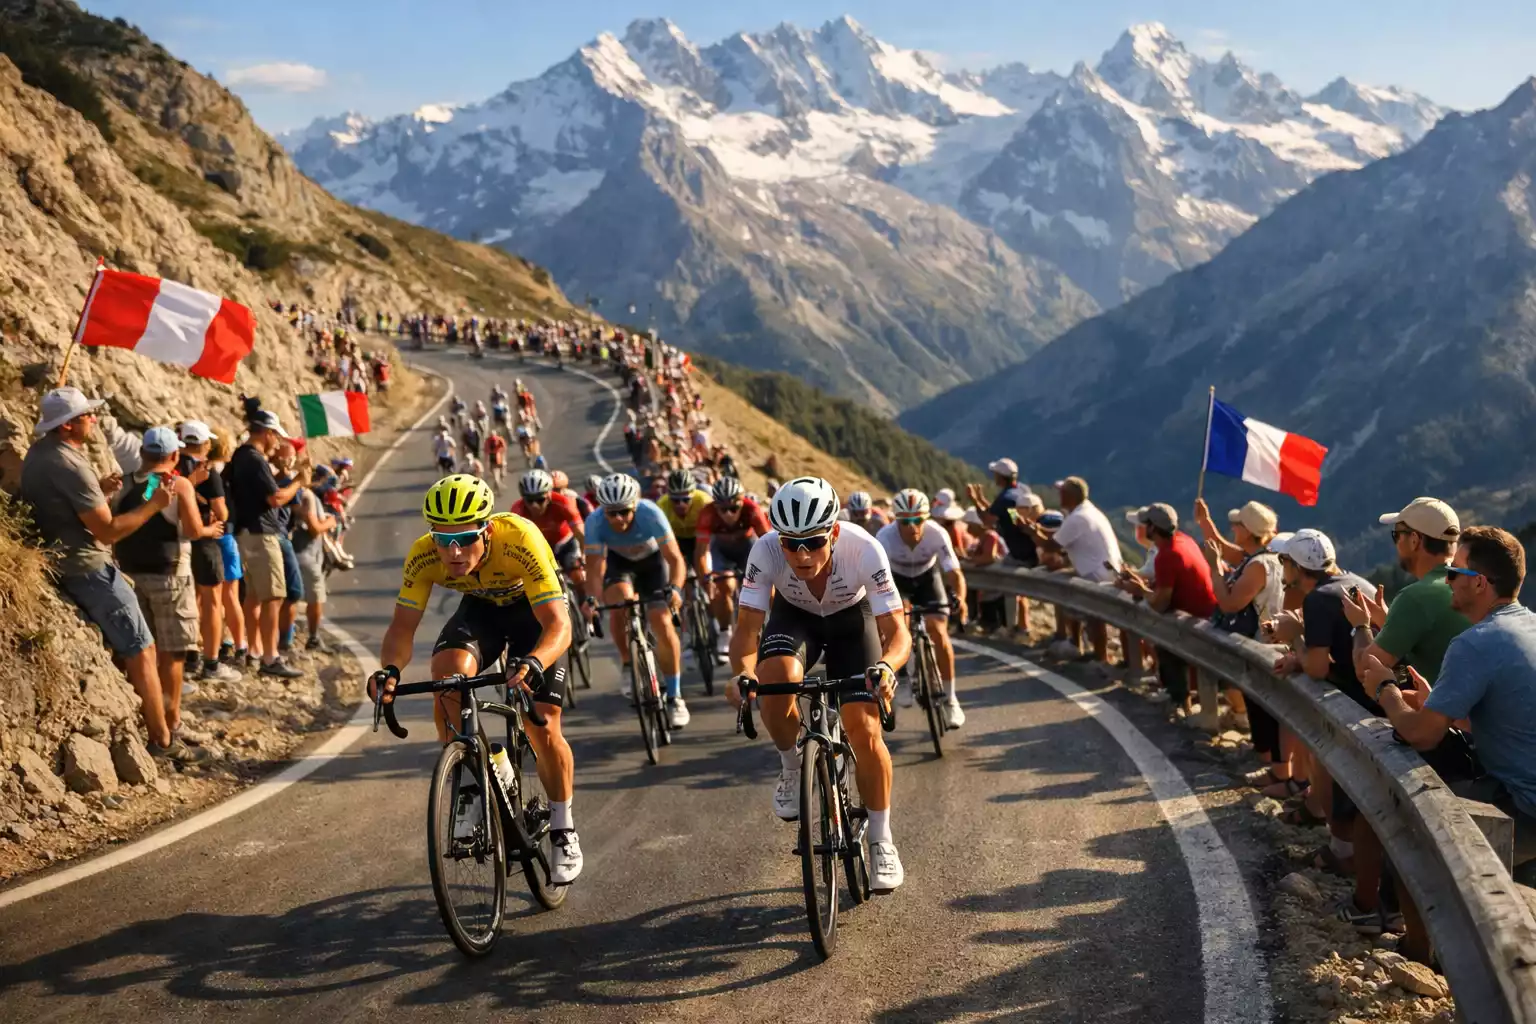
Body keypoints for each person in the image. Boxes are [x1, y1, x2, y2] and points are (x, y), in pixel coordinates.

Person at [371, 474, 581, 885]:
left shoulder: (520, 537)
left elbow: (558, 625)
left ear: (486, 530)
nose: (453, 551)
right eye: (441, 538)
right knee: (446, 677)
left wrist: (536, 661)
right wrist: (389, 671)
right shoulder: (423, 555)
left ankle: (562, 827)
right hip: (481, 610)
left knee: (544, 721)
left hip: (533, 612)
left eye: (465, 537)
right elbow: (401, 628)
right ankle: (473, 772)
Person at [725, 477, 912, 892]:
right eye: (792, 543)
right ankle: (792, 767)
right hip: (796, 618)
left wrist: (886, 666)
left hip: (852, 620)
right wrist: (742, 671)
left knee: (863, 728)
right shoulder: (765, 550)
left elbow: (896, 631)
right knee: (776, 683)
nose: (802, 554)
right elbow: (747, 628)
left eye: (813, 541)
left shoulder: (864, 549)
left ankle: (882, 840)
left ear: (835, 532)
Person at [18, 389, 204, 764]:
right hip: (93, 569)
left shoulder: (38, 454)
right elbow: (109, 531)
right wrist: (155, 506)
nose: (94, 419)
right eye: (87, 414)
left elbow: (69, 507)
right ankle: (164, 739)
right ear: (67, 424)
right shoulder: (73, 465)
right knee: (145, 650)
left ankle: (154, 724)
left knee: (142, 648)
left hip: (80, 563)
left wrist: (99, 493)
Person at [114, 427, 225, 735]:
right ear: (175, 455)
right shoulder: (178, 484)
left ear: (142, 453)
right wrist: (209, 531)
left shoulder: (124, 484)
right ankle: (170, 721)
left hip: (129, 576)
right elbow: (190, 529)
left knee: (139, 650)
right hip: (170, 577)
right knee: (173, 652)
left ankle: (142, 715)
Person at [582, 474, 690, 728]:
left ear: (635, 505)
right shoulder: (595, 522)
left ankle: (675, 697)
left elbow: (675, 560)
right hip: (620, 566)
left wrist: (675, 588)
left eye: (624, 512)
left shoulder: (650, 513)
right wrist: (591, 600)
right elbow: (595, 569)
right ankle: (628, 662)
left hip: (653, 564)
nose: (618, 519)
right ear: (603, 511)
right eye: (612, 513)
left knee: (661, 621)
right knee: (620, 604)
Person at [225, 408, 306, 679]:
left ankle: (256, 650)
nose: (277, 443)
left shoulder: (241, 456)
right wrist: (298, 482)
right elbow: (275, 498)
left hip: (248, 532)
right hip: (261, 533)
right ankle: (270, 657)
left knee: (255, 595)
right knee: (274, 595)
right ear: (268, 433)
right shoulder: (253, 459)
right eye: (276, 437)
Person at [877, 489, 968, 727]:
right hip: (897, 582)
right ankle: (903, 676)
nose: (911, 526)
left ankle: (950, 699)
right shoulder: (884, 537)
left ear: (926, 519)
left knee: (938, 632)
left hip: (927, 578)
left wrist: (961, 598)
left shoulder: (937, 534)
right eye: (905, 521)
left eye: (917, 520)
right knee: (897, 629)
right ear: (896, 520)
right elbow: (876, 579)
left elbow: (954, 573)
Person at [1117, 504, 1216, 708]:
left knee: (1165, 642)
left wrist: (1140, 590)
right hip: (1208, 614)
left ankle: (1180, 702)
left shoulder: (1167, 555)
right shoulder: (1184, 541)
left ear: (1153, 528)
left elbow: (1160, 604)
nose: (1142, 528)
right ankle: (1182, 701)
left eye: (1145, 524)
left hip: (1195, 619)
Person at [1029, 476, 1121, 662]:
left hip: (1096, 574)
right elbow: (1061, 536)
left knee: (1094, 615)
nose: (1058, 496)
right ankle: (1076, 643)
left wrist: (1030, 531)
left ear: (1069, 496)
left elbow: (1050, 545)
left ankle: (1098, 656)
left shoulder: (1077, 517)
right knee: (1066, 589)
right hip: (1103, 570)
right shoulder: (1086, 511)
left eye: (1061, 493)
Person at [178, 421, 241, 684]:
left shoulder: (170, 466)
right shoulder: (207, 472)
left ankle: (189, 657)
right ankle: (212, 663)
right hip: (205, 539)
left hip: (176, 539)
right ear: (204, 444)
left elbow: (152, 495)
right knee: (212, 601)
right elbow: (223, 513)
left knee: (188, 599)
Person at [694, 475, 772, 660]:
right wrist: (706, 577)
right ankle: (724, 631)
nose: (728, 514)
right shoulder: (707, 513)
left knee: (769, 589)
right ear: (715, 506)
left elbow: (769, 543)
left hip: (748, 546)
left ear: (742, 502)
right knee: (724, 586)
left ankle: (776, 626)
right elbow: (702, 552)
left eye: (733, 508)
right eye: (723, 509)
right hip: (722, 550)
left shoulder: (752, 509)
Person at [511, 469, 586, 584]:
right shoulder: (517, 511)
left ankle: (584, 600)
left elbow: (581, 534)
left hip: (565, 543)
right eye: (530, 501)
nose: (535, 506)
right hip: (539, 548)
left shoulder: (563, 503)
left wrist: (583, 554)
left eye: (540, 500)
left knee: (579, 576)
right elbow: (513, 544)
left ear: (549, 495)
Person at [292, 468, 337, 652]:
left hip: (299, 554)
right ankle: (313, 637)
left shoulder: (295, 493)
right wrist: (329, 522)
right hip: (307, 555)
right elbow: (314, 528)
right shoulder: (307, 496)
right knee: (315, 598)